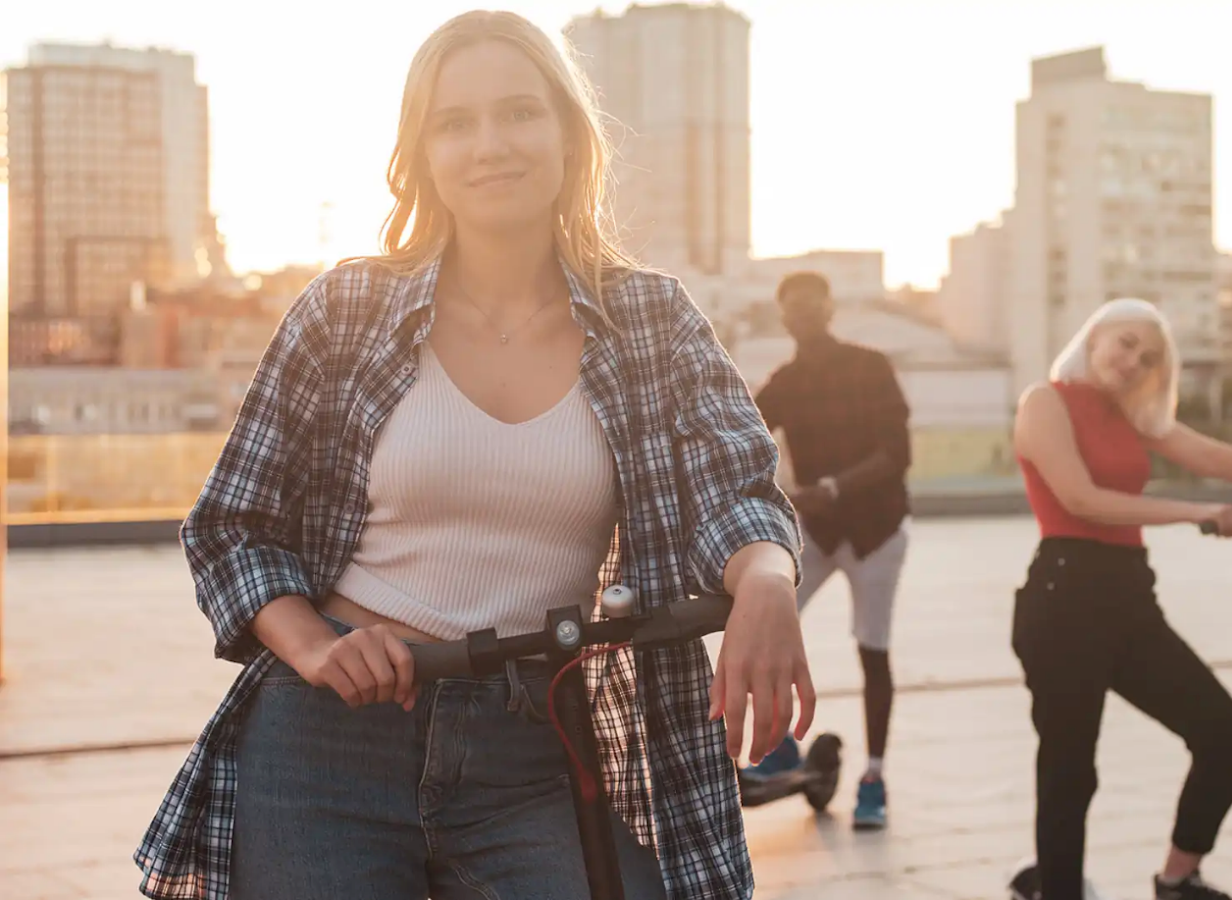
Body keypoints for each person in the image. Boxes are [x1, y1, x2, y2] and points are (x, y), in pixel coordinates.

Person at [133, 12, 813, 900]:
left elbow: (737, 485)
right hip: (326, 741)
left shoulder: (652, 318)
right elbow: (232, 523)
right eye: (456, 123)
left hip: (530, 740)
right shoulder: (347, 310)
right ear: (423, 154)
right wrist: (310, 646)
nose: (491, 144)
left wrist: (766, 578)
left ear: (570, 135)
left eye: (520, 112)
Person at [1007, 298, 1232, 900]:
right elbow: (1081, 499)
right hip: (1063, 603)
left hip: (1129, 601)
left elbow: (1208, 453)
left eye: (1148, 357)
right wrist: (1195, 512)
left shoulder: (1129, 416)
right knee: (1070, 770)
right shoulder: (1045, 401)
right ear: (1093, 338)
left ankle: (1177, 878)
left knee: (1225, 734)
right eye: (1125, 343)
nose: (1133, 360)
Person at [741, 271, 913, 830]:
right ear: (783, 317)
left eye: (812, 306)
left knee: (873, 649)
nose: (803, 316)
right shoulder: (788, 380)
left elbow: (897, 453)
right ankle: (785, 751)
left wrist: (832, 487)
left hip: (876, 534)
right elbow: (741, 432)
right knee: (769, 625)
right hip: (817, 530)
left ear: (830, 308)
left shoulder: (870, 367)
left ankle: (875, 777)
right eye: (793, 309)